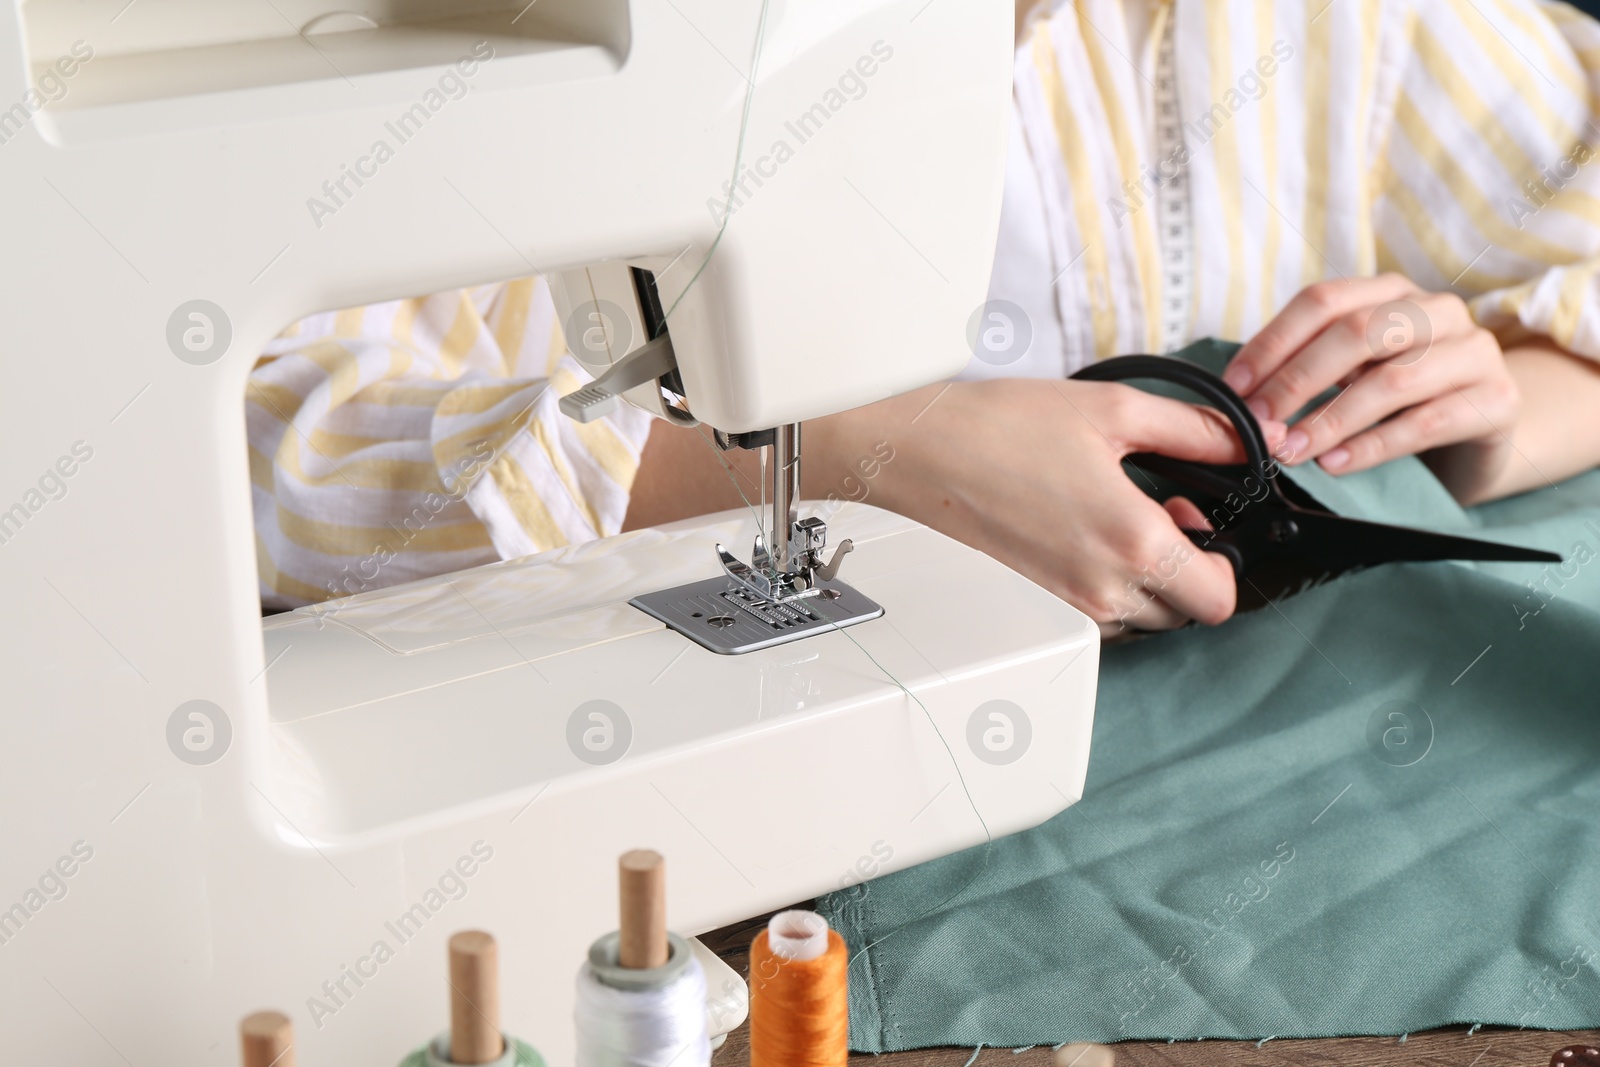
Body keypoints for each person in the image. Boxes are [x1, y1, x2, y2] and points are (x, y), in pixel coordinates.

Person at [251, 0, 1600, 635]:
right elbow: (226, 462)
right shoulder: (446, 75)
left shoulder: (1321, 31)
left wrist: (1490, 420)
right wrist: (861, 461)